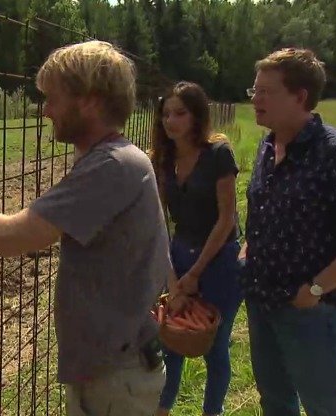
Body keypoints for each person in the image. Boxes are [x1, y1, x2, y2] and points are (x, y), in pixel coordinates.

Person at [0, 40, 172, 415]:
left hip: (116, 377)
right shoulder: (122, 160)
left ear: (89, 100)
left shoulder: (111, 167)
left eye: (53, 99)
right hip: (118, 366)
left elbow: (12, 237)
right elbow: (44, 229)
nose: (46, 111)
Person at [241, 47, 336, 416]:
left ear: (300, 96)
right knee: (275, 402)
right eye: (253, 90)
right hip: (263, 301)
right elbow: (265, 210)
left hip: (312, 309)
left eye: (266, 91)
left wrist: (316, 289)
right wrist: (248, 247)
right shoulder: (268, 144)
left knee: (325, 404)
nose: (255, 99)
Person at [148, 81, 243, 416]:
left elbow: (226, 219)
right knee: (171, 342)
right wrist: (173, 280)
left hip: (220, 261)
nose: (170, 121)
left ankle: (211, 412)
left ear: (197, 115)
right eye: (165, 114)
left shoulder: (218, 154)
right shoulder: (162, 160)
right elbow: (160, 223)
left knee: (214, 346)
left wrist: (195, 273)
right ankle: (162, 411)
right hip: (178, 254)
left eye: (180, 113)